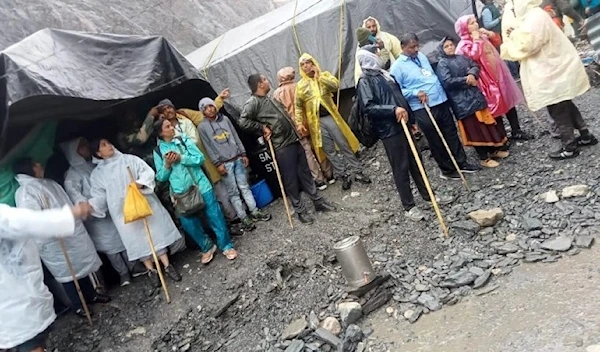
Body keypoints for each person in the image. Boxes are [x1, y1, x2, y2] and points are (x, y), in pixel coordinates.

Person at [355, 46, 454, 221]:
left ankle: (429, 196)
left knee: (417, 161)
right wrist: (393, 110)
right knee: (401, 166)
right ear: (370, 56)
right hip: (389, 130)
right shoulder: (365, 80)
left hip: (403, 125)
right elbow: (368, 107)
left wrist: (412, 120)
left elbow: (399, 97)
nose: (380, 55)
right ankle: (409, 206)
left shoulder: (385, 75)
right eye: (376, 53)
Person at [13, 158, 110, 318]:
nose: (40, 165)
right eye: (36, 164)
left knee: (80, 266)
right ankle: (78, 304)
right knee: (67, 273)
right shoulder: (25, 192)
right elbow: (34, 219)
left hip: (71, 232)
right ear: (29, 169)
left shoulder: (49, 183)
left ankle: (91, 294)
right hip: (54, 240)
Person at [501, 0, 597, 159]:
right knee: (564, 102)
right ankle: (585, 135)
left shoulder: (534, 17)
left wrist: (513, 35)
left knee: (557, 107)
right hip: (553, 67)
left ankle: (569, 146)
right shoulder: (534, 16)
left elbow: (527, 45)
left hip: (550, 70)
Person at [238, 73, 337, 224]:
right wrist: (261, 127)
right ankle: (300, 211)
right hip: (281, 146)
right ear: (259, 84)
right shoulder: (253, 102)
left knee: (305, 173)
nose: (267, 80)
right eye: (264, 79)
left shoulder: (269, 98)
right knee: (291, 180)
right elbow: (243, 121)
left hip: (293, 140)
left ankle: (318, 202)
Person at [88, 139, 183, 286]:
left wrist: (140, 183)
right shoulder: (98, 174)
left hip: (143, 202)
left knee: (154, 232)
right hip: (122, 211)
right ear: (98, 153)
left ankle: (166, 265)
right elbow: (99, 195)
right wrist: (90, 207)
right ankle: (151, 270)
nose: (109, 145)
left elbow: (147, 173)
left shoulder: (129, 159)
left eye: (109, 142)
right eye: (104, 145)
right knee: (136, 240)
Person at [0, 200, 90, 352]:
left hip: (11, 304)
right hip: (15, 303)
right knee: (31, 344)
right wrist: (72, 213)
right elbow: (29, 222)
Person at [390, 33, 479, 180]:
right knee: (435, 138)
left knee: (451, 132)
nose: (416, 49)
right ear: (403, 47)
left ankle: (461, 162)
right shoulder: (397, 67)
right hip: (423, 106)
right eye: (412, 47)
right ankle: (447, 170)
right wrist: (414, 92)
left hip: (440, 100)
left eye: (417, 45)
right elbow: (397, 91)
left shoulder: (421, 57)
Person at [61, 137, 145, 286]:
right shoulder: (72, 174)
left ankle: (134, 266)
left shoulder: (95, 165)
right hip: (96, 215)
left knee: (123, 237)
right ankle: (123, 273)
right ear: (74, 152)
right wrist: (87, 205)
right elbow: (74, 193)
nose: (86, 148)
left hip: (111, 208)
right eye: (82, 147)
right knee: (110, 247)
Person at [153, 119, 238, 263]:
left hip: (201, 185)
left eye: (171, 125)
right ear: (161, 133)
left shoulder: (183, 139)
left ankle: (227, 246)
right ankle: (207, 247)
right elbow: (160, 177)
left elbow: (199, 158)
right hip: (180, 194)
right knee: (189, 225)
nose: (172, 128)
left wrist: (181, 158)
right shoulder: (158, 151)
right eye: (167, 127)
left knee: (215, 216)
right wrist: (167, 164)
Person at [154, 98, 238, 226]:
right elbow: (163, 162)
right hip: (183, 181)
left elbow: (194, 139)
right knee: (196, 209)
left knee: (217, 192)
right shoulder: (160, 142)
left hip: (200, 163)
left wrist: (182, 149)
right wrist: (170, 161)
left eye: (169, 107)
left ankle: (233, 218)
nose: (168, 111)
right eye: (164, 110)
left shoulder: (185, 121)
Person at [296, 54, 370, 190]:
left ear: (314, 63)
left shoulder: (324, 75)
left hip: (330, 117)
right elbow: (298, 106)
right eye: (303, 64)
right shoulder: (300, 86)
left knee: (343, 144)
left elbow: (335, 85)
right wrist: (299, 122)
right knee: (329, 150)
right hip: (316, 123)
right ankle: (343, 175)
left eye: (308, 62)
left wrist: (320, 77)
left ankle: (358, 171)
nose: (306, 66)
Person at [197, 97, 271, 231]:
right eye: (206, 108)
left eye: (211, 106)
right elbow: (208, 147)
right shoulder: (202, 127)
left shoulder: (224, 119)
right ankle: (243, 217)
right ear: (202, 111)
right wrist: (217, 163)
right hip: (224, 163)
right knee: (233, 192)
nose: (210, 109)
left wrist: (243, 153)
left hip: (237, 158)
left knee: (244, 186)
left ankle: (254, 211)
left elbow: (235, 136)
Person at [454, 15, 533, 141]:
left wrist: (489, 34)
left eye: (475, 21)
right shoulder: (463, 45)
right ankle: (502, 137)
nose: (475, 24)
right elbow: (474, 56)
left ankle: (516, 130)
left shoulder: (481, 36)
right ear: (464, 28)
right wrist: (476, 40)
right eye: (471, 23)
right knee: (494, 106)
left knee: (508, 101)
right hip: (484, 79)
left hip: (498, 74)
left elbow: (497, 42)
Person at [436, 37, 509, 168]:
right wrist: (466, 80)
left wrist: (472, 74)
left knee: (486, 125)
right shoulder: (442, 63)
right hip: (462, 102)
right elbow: (447, 82)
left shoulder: (461, 57)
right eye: (446, 46)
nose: (450, 48)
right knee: (474, 129)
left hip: (475, 97)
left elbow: (475, 65)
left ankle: (493, 150)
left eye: (451, 45)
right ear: (442, 50)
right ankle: (483, 157)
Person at [273, 66, 332, 190]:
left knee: (307, 153)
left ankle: (319, 180)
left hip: (296, 127)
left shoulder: (277, 94)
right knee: (319, 147)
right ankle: (329, 174)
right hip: (310, 120)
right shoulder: (300, 85)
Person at [353, 16, 402, 83]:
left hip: (393, 74)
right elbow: (359, 67)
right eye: (369, 27)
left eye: (373, 26)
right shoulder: (362, 48)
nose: (372, 29)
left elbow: (399, 53)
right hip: (375, 80)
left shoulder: (387, 37)